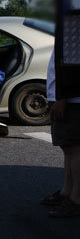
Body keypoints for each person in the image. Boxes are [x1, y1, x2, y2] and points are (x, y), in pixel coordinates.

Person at [42, 47, 80, 218]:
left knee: (76, 149)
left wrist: (62, 97)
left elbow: (74, 64)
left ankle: (76, 199)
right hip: (65, 96)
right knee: (68, 147)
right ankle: (67, 192)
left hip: (72, 99)